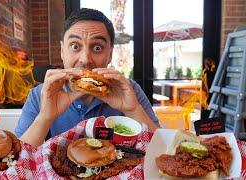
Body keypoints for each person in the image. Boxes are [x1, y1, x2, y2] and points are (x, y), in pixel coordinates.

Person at [15, 8, 159, 148]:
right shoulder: (39, 95)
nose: (85, 60)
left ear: (110, 54)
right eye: (75, 46)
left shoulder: (128, 90)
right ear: (62, 51)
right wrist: (45, 117)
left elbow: (162, 149)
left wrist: (133, 110)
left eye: (97, 48)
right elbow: (17, 161)